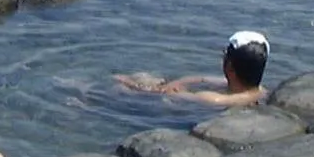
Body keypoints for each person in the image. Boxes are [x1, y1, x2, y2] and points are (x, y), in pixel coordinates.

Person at [114, 30, 270, 106]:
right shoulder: (259, 90)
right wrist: (179, 82)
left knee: (120, 89)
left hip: (192, 108)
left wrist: (130, 83)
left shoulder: (214, 99)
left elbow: (169, 94)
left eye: (224, 54)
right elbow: (201, 79)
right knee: (147, 78)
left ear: (229, 67)